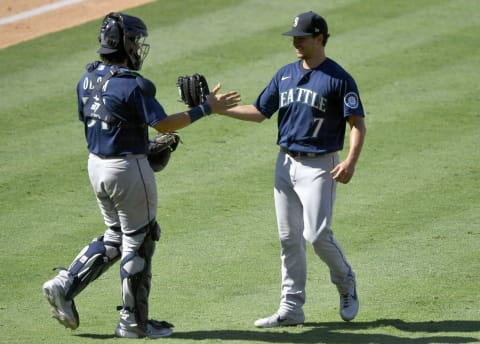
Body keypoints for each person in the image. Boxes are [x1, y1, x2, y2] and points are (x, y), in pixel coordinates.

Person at [42, 12, 240, 339]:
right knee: (141, 239)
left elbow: (99, 121)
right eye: (135, 41)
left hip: (96, 166)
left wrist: (137, 142)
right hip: (127, 170)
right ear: (125, 43)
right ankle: (133, 323)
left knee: (115, 235)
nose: (138, 48)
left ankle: (65, 284)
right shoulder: (134, 84)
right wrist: (207, 108)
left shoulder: (87, 78)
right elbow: (163, 124)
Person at [218, 11, 366, 327]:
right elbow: (260, 111)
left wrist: (350, 160)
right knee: (288, 238)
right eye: (294, 37)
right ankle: (291, 308)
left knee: (316, 235)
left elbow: (357, 124)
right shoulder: (285, 74)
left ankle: (345, 280)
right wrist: (220, 109)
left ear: (320, 38)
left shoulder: (338, 79)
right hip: (285, 164)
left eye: (302, 37)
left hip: (320, 166)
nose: (296, 42)